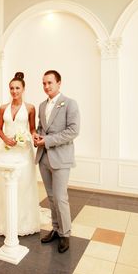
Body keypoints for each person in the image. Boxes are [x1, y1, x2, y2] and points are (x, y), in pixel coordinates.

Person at [33, 70, 80, 253]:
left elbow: (73, 131)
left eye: (50, 83)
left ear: (59, 83)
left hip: (61, 158)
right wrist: (37, 136)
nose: (46, 86)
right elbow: (41, 127)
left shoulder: (70, 104)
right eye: (44, 83)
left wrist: (48, 141)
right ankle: (55, 229)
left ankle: (65, 234)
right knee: (51, 198)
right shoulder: (42, 105)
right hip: (44, 157)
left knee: (61, 198)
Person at [0, 72, 40, 236]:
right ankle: (5, 222)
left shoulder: (30, 108)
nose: (14, 91)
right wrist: (5, 139)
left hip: (23, 151)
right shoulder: (3, 108)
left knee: (24, 185)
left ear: (23, 89)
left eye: (17, 88)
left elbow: (32, 128)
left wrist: (32, 137)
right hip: (7, 151)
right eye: (11, 88)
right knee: (6, 185)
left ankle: (24, 222)